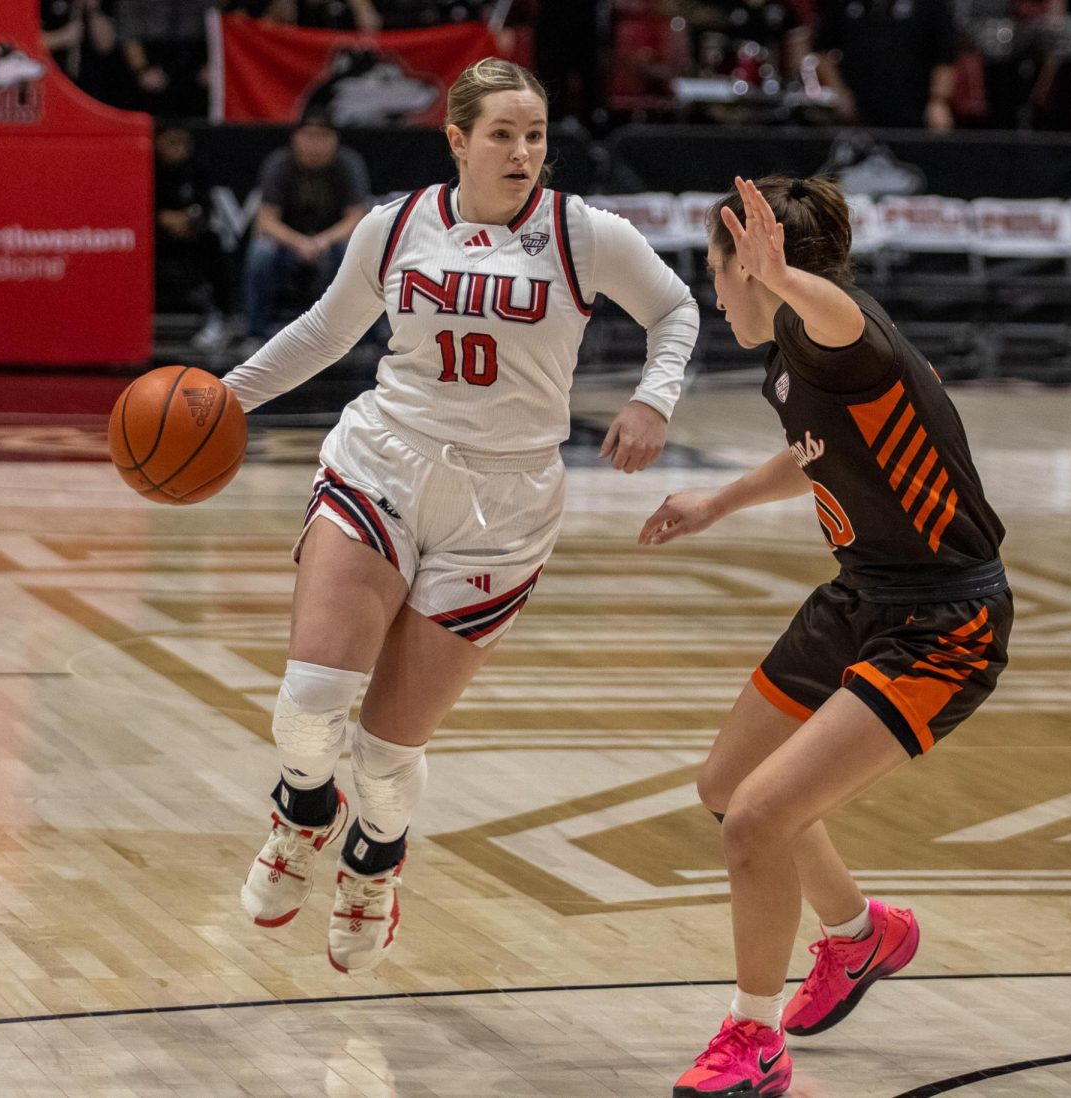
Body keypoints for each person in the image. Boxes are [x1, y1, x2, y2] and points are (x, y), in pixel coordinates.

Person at [222, 58, 699, 974]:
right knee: (309, 704)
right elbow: (328, 332)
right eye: (503, 136)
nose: (524, 153)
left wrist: (654, 399)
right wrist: (224, 396)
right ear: (457, 141)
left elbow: (675, 310)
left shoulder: (584, 234)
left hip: (506, 502)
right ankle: (300, 813)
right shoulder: (394, 225)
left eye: (536, 137)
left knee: (387, 750)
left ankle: (375, 861)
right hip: (382, 464)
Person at [639, 176, 1010, 1097]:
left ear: (759, 269)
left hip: (943, 621)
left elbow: (842, 319)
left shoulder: (834, 337)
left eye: (718, 272)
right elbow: (814, 453)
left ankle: (753, 1040)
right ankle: (858, 936)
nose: (713, 292)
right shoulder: (787, 362)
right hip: (861, 596)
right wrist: (718, 501)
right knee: (728, 787)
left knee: (762, 818)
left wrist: (788, 280)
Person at [239, 113, 371, 355]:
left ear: (334, 140)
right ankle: (255, 333)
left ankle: (354, 336)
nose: (315, 144)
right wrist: (299, 242)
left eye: (322, 137)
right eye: (309, 136)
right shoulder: (279, 163)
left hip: (331, 242)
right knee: (260, 253)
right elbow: (266, 220)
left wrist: (323, 240)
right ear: (295, 138)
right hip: (288, 242)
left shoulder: (348, 163)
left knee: (358, 252)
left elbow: (356, 217)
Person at [154, 125, 237, 351]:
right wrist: (161, 219)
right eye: (172, 143)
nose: (178, 150)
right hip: (150, 234)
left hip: (189, 233)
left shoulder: (197, 167)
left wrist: (187, 220)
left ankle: (220, 317)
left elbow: (205, 207)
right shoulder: (145, 165)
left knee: (214, 242)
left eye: (183, 144)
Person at [813, 0, 958, 130]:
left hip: (913, 113)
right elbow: (821, 50)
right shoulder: (842, 4)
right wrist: (839, 92)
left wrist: (938, 101)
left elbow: (945, 56)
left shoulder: (928, 5)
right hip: (857, 116)